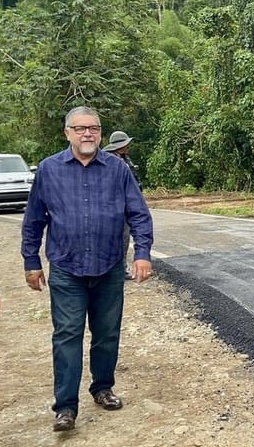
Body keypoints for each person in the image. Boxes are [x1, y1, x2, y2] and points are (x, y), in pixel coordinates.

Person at [21, 106, 154, 432]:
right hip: (67, 268)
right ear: (67, 132)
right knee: (67, 336)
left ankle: (103, 388)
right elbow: (34, 220)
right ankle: (65, 407)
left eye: (93, 128)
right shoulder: (49, 171)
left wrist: (143, 253)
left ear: (100, 133)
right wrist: (31, 261)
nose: (87, 134)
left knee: (107, 334)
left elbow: (138, 213)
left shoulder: (117, 169)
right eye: (79, 128)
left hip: (108, 267)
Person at [103, 130, 142, 280]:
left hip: (127, 205)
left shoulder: (124, 159)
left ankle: (120, 268)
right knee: (119, 238)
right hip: (116, 207)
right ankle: (116, 270)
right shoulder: (111, 162)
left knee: (124, 238)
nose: (128, 147)